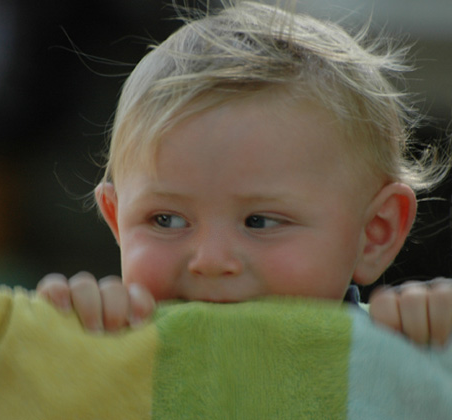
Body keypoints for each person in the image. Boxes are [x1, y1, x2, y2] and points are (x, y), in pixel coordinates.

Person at [38, 1, 452, 347]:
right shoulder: (115, 344)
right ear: (116, 219)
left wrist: (436, 340)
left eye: (260, 221)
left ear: (374, 232)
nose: (212, 262)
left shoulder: (396, 350)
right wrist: (61, 347)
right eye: (165, 219)